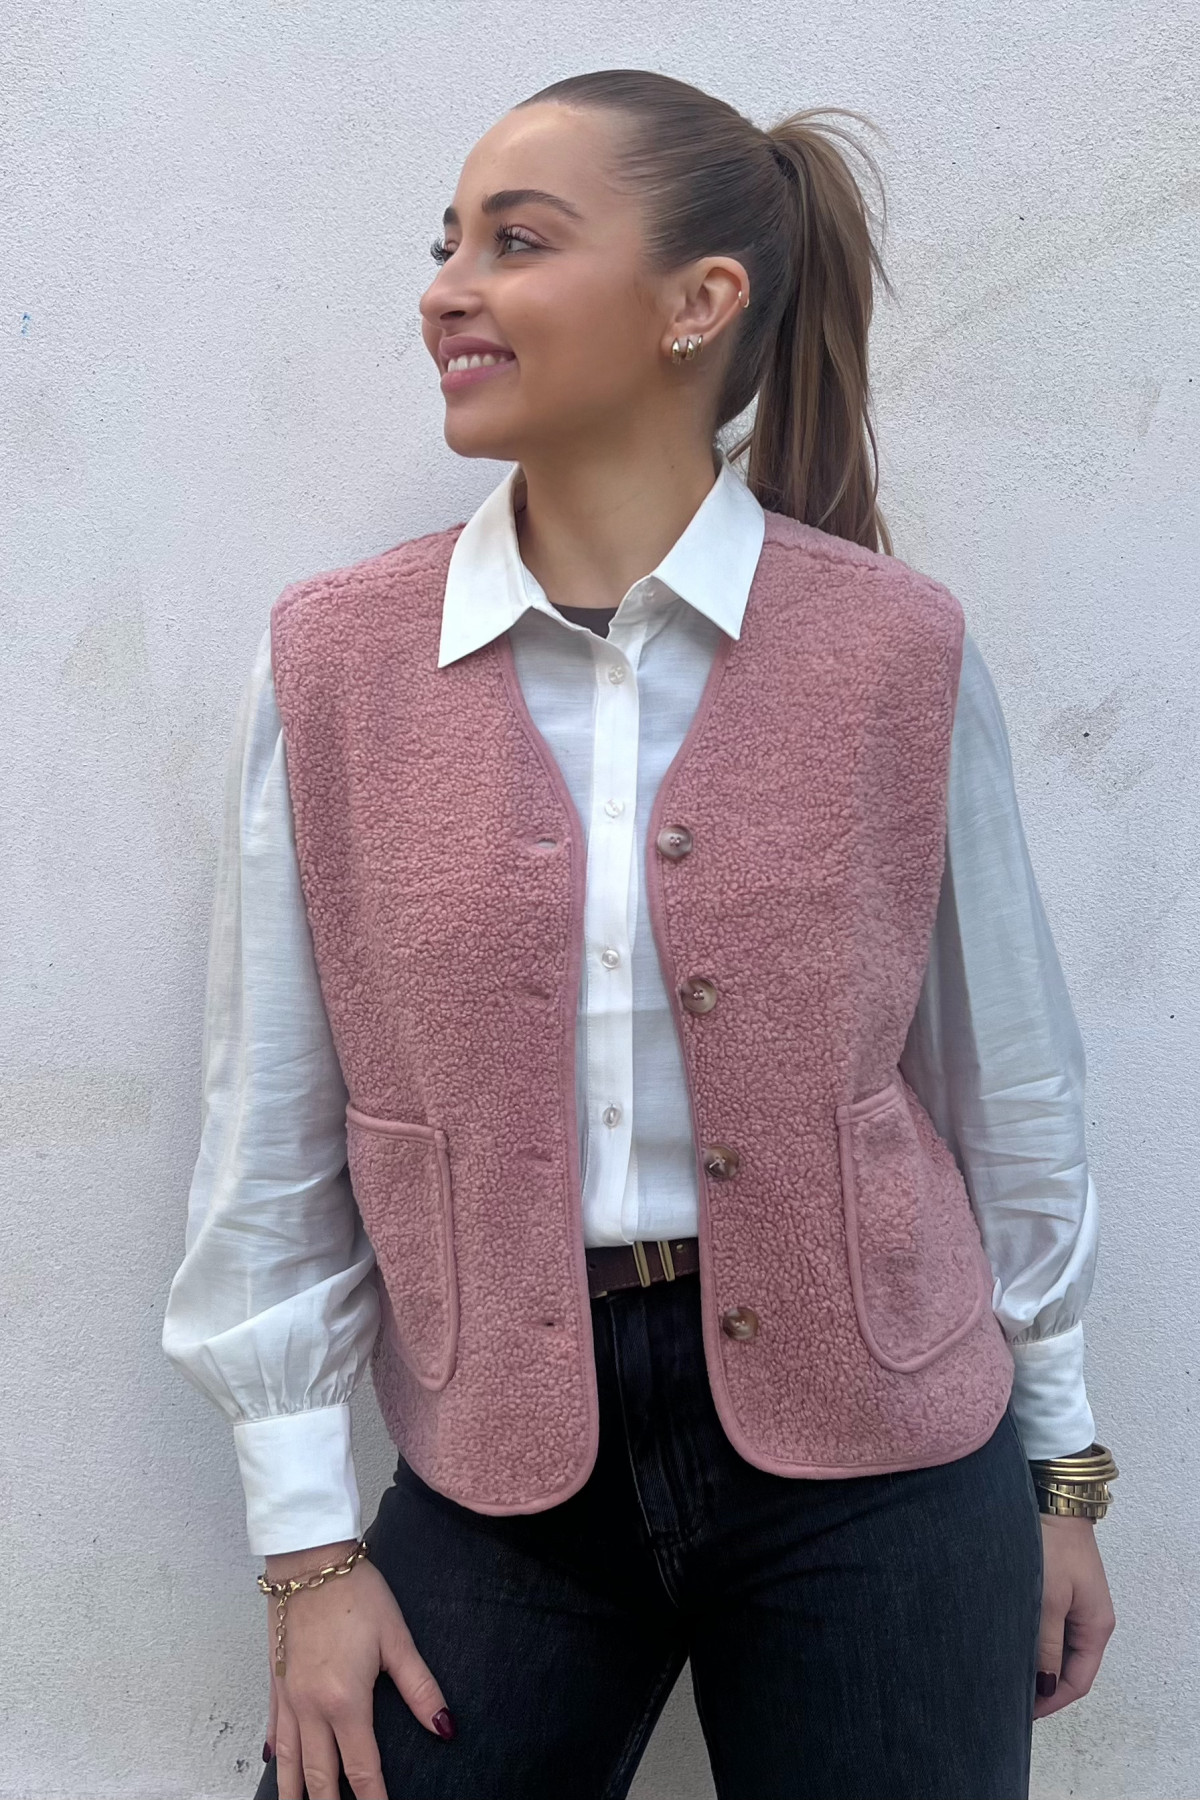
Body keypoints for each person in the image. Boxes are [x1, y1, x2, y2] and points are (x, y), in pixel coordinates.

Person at [162, 68, 1117, 1800]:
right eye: (446, 245)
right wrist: (307, 1550)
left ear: (701, 302)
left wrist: (1064, 1472)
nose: (448, 289)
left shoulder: (895, 649)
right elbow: (272, 1130)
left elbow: (1010, 1085)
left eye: (516, 243)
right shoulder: (338, 665)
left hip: (888, 1460)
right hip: (500, 1472)